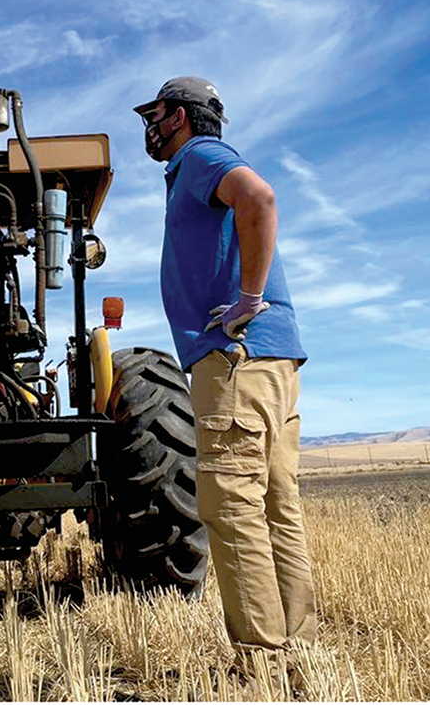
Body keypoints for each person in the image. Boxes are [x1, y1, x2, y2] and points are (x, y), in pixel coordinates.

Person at [133, 77, 317, 681]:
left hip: (235, 358)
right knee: (274, 503)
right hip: (273, 361)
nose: (151, 126)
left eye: (156, 114)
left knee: (230, 505)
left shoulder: (199, 158)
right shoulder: (193, 166)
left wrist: (248, 299)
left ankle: (262, 663)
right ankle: (298, 650)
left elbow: (258, 199)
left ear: (181, 116)